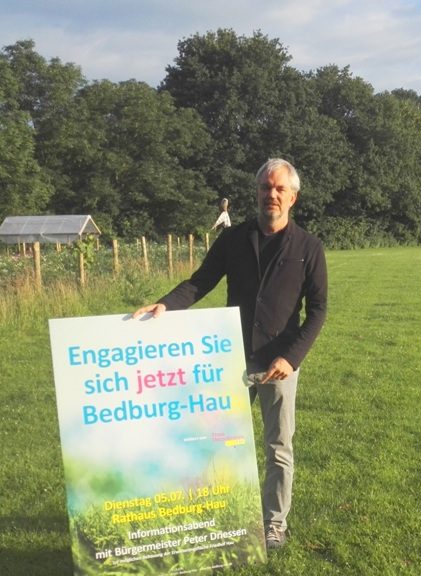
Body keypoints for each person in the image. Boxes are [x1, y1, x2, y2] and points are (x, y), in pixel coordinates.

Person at [131, 158, 327, 550]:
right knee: (216, 443)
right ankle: (221, 516)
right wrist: (165, 305)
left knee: (278, 448)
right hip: (231, 360)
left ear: (293, 197)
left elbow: (318, 310)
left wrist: (292, 358)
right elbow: (200, 281)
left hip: (279, 365)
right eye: (264, 188)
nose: (270, 195)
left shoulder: (309, 247)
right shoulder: (233, 239)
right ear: (256, 192)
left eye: (278, 189)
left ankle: (274, 523)